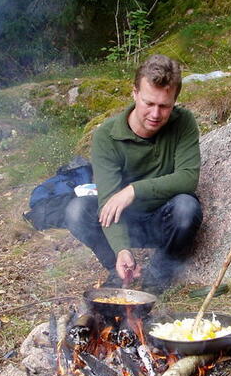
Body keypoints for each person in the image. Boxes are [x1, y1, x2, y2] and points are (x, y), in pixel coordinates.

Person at [65, 54, 202, 295]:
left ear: (175, 101)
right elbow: (108, 202)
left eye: (164, 106)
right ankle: (118, 268)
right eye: (149, 103)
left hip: (164, 219)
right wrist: (121, 248)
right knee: (77, 210)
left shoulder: (184, 122)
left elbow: (188, 178)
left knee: (187, 207)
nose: (156, 114)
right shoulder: (106, 136)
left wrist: (133, 190)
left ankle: (156, 277)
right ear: (135, 93)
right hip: (126, 221)